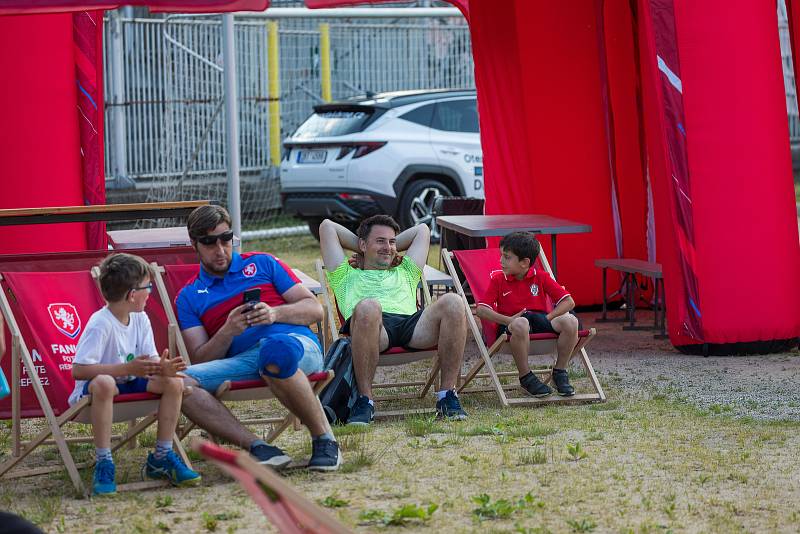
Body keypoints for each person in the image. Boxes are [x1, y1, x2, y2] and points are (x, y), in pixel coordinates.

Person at [176, 205, 340, 472]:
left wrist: (275, 313)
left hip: (296, 347)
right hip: (245, 361)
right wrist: (228, 330)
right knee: (178, 383)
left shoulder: (262, 263)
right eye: (209, 243)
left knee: (274, 352)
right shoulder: (189, 296)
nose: (220, 249)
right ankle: (258, 448)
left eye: (225, 239)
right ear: (194, 243)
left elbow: (314, 309)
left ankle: (325, 440)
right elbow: (200, 358)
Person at [69, 253, 201, 495]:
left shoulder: (140, 318)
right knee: (106, 383)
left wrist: (163, 368)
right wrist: (126, 369)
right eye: (147, 287)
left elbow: (147, 360)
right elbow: (78, 370)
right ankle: (104, 460)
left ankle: (161, 456)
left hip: (130, 382)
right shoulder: (101, 323)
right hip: (95, 395)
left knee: (173, 382)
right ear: (132, 295)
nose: (150, 291)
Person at [319, 215, 468, 425]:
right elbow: (327, 227)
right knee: (369, 306)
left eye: (392, 242)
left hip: (412, 325)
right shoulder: (344, 274)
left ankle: (447, 397)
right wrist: (365, 249)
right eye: (380, 241)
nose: (387, 247)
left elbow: (422, 230)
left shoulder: (405, 270)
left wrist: (382, 248)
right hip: (373, 329)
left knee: (454, 301)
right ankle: (364, 401)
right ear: (362, 244)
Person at [475, 232, 580, 397]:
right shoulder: (498, 280)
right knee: (521, 323)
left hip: (538, 321)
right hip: (510, 326)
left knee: (571, 321)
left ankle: (560, 371)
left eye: (507, 257)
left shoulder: (541, 277)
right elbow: (481, 310)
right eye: (501, 255)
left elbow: (569, 302)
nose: (501, 261)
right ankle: (526, 376)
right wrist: (509, 320)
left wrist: (548, 318)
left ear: (525, 263)